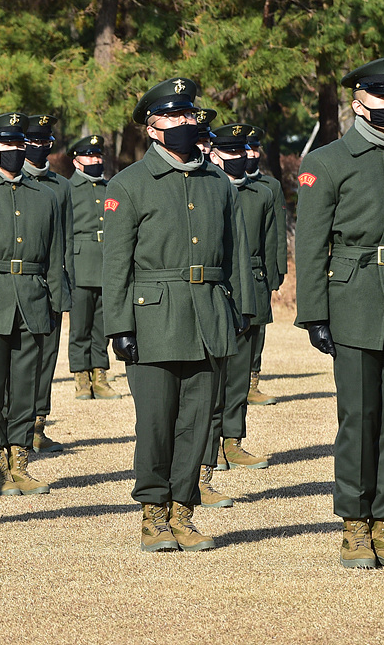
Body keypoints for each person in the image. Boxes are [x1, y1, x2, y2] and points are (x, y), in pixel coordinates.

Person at [295, 56, 384, 570]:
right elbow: (310, 246)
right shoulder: (328, 161)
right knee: (359, 417)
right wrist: (314, 312)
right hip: (353, 301)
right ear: (358, 102)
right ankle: (354, 527)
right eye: (383, 96)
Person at [104, 78, 253, 553]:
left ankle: (183, 511)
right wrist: (119, 326)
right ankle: (153, 515)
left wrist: (239, 310)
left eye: (189, 115)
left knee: (197, 421)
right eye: (173, 117)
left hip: (209, 315)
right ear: (151, 128)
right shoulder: (128, 184)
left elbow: (234, 255)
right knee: (155, 421)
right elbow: (116, 265)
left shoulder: (218, 183)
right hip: (153, 319)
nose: (186, 123)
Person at [0, 112, 64, 497]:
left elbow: (56, 253)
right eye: (7, 144)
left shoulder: (45, 195)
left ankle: (21, 460)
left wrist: (58, 299)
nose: (15, 150)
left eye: (18, 143)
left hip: (33, 297)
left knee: (26, 385)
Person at [201, 124, 274, 509]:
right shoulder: (207, 188)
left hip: (250, 289)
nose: (241, 156)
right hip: (213, 291)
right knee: (210, 382)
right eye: (231, 150)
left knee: (240, 374)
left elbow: (268, 244)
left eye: (244, 150)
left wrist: (266, 285)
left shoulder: (261, 192)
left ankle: (234, 441)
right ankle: (207, 454)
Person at [22, 114, 74, 453]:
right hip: (15, 282)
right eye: (34, 142)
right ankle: (17, 429)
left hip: (48, 281)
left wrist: (62, 288)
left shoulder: (60, 186)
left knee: (46, 359)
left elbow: (65, 243)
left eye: (46, 142)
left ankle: (39, 424)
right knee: (18, 363)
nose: (40, 147)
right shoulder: (6, 182)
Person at [67, 135, 119, 400]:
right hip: (79, 265)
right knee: (80, 326)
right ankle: (81, 377)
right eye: (90, 156)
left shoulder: (109, 187)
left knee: (102, 325)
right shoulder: (69, 189)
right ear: (77, 161)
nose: (96, 161)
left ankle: (100, 375)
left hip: (104, 263)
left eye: (98, 156)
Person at [245, 126, 286, 405]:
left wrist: (277, 272)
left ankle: (252, 382)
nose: (251, 154)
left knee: (257, 328)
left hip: (258, 268)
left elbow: (277, 235)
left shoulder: (270, 187)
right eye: (245, 148)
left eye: (254, 148)